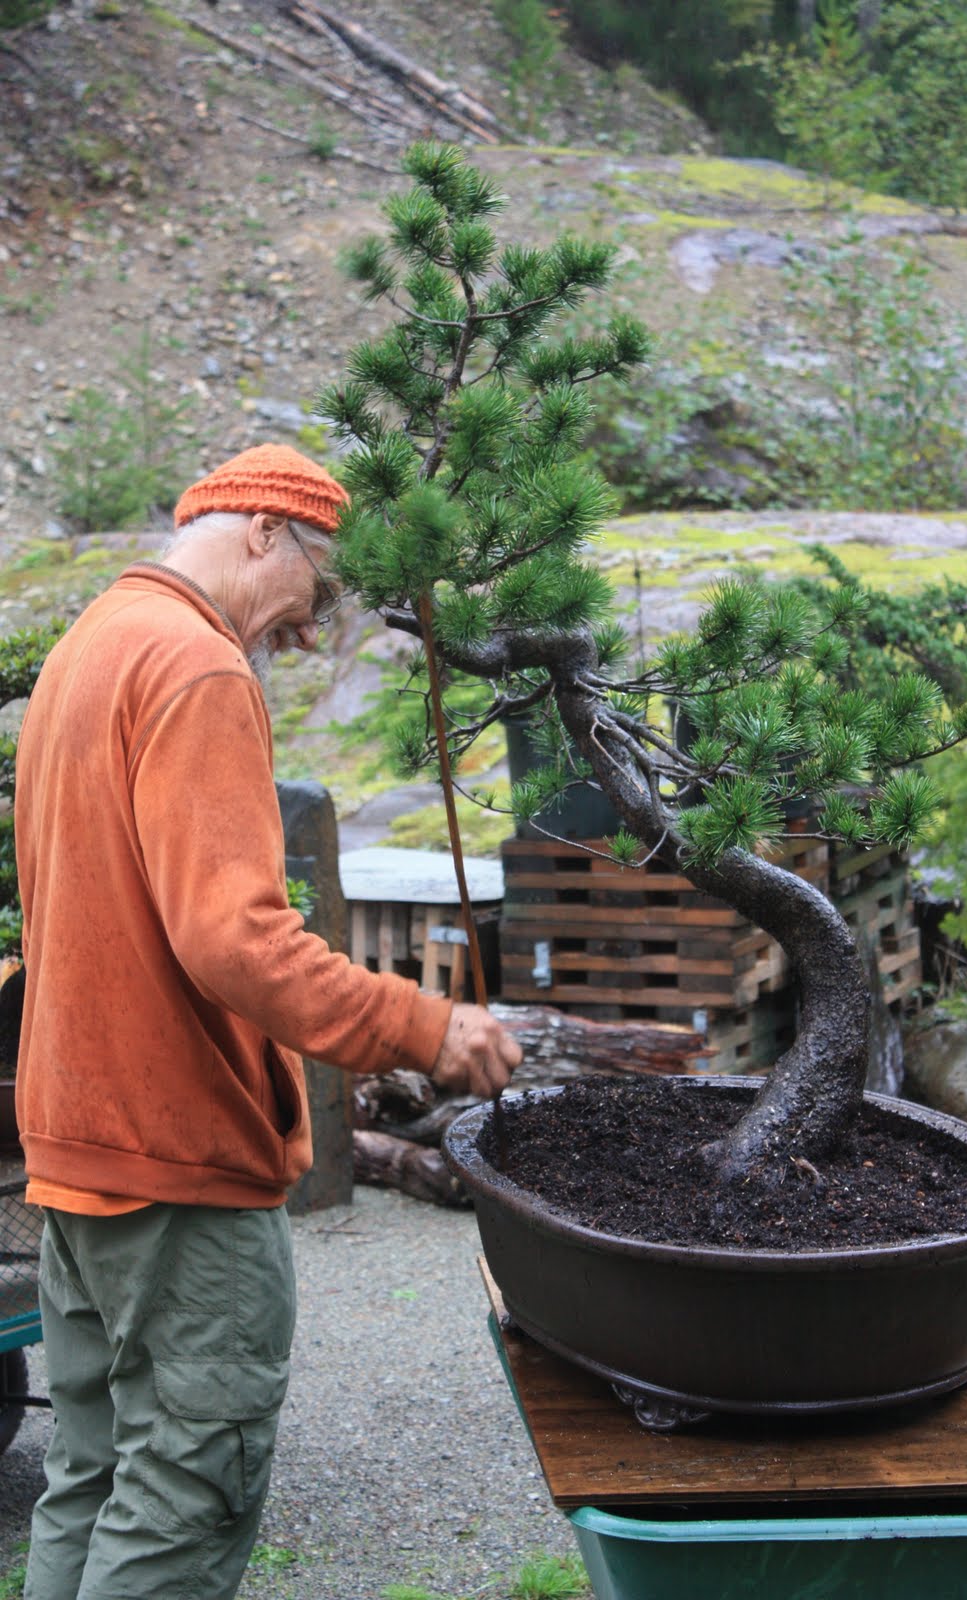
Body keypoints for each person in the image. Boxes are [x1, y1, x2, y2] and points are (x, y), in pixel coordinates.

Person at [13, 443, 522, 1600]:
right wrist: (421, 1024)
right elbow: (234, 938)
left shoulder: (88, 645)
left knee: (91, 1478)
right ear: (261, 532)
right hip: (174, 1160)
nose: (297, 641)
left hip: (79, 1150)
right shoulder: (195, 667)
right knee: (188, 1488)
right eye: (311, 602)